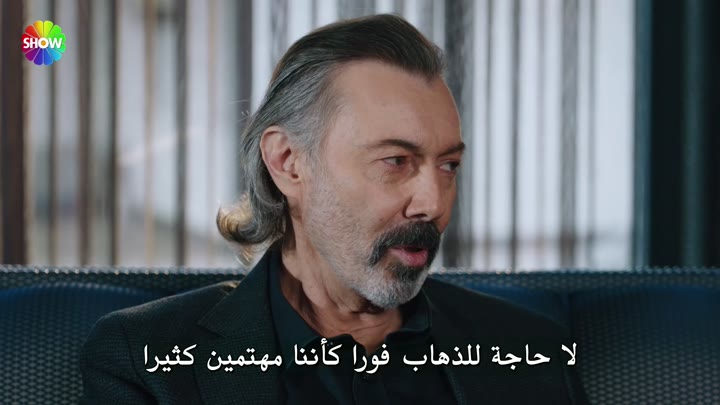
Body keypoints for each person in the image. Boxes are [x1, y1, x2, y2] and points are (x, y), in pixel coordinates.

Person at [80, 14, 587, 405]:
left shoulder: (527, 349)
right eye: (395, 161)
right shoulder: (148, 359)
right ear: (288, 163)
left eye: (448, 165)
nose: (433, 203)